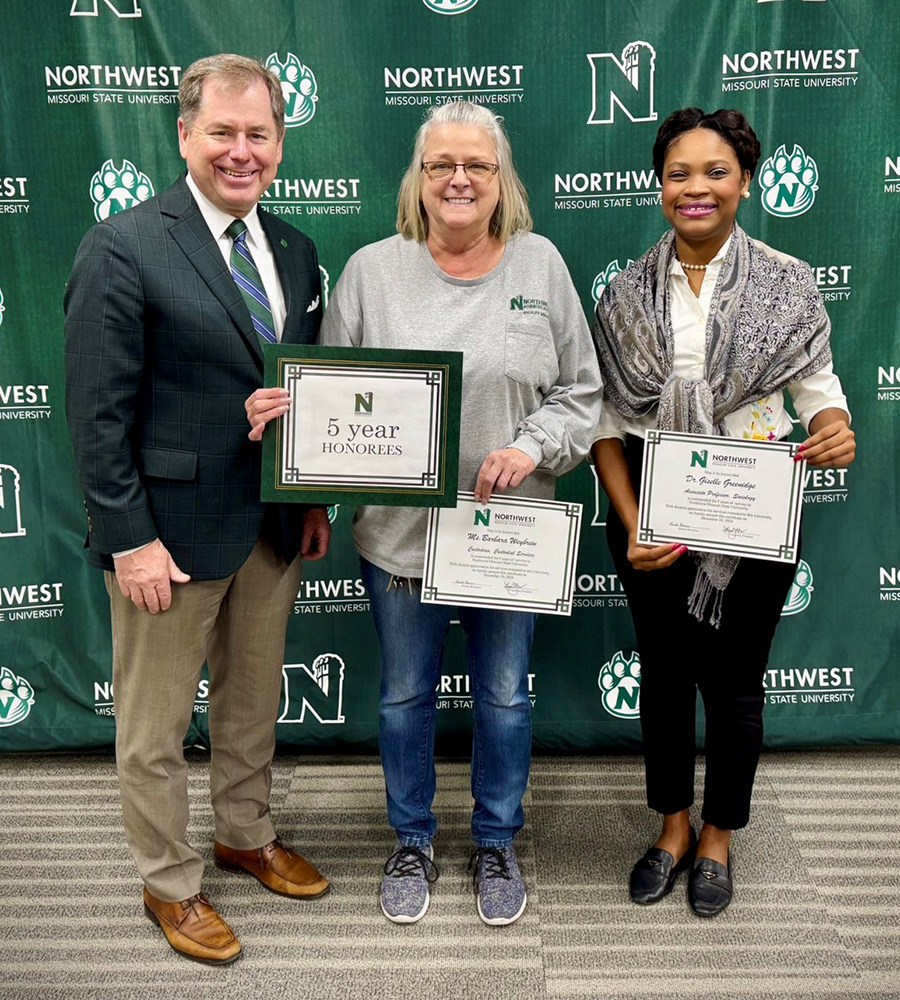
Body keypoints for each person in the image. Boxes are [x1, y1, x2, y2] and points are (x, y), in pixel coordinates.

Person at [273, 100, 599, 926]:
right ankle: (411, 839)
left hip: (508, 536)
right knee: (404, 698)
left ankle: (496, 840)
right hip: (400, 541)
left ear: (501, 180)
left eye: (477, 166)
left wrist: (532, 446)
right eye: (440, 165)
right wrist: (315, 484)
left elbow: (581, 392)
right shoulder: (371, 271)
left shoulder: (542, 265)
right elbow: (330, 403)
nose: (458, 179)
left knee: (504, 700)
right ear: (418, 179)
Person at [64, 54, 331, 965]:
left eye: (259, 134)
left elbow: (305, 395)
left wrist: (309, 496)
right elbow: (97, 416)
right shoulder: (124, 246)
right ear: (185, 135)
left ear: (280, 144)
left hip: (268, 526)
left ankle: (243, 834)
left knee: (252, 705)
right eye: (223, 132)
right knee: (153, 727)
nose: (241, 152)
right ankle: (169, 883)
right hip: (167, 541)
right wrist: (129, 539)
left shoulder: (293, 249)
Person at [591, 108, 855, 917]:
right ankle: (672, 826)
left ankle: (719, 836)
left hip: (751, 505)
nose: (696, 188)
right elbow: (606, 419)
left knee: (736, 684)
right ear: (658, 184)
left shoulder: (788, 280)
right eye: (679, 173)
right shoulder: (625, 291)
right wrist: (633, 519)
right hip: (648, 502)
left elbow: (818, 394)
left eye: (715, 172)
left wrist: (834, 427)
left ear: (745, 180)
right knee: (665, 677)